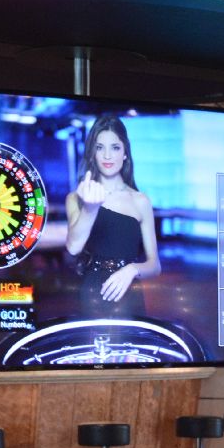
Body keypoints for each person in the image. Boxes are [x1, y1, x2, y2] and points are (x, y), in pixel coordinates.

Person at [64, 115, 160, 315]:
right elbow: (73, 247)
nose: (107, 155)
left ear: (125, 152)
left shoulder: (140, 201)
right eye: (100, 147)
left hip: (130, 293)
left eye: (115, 147)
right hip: (92, 293)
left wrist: (131, 269)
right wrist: (90, 208)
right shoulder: (76, 197)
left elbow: (155, 265)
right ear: (93, 153)